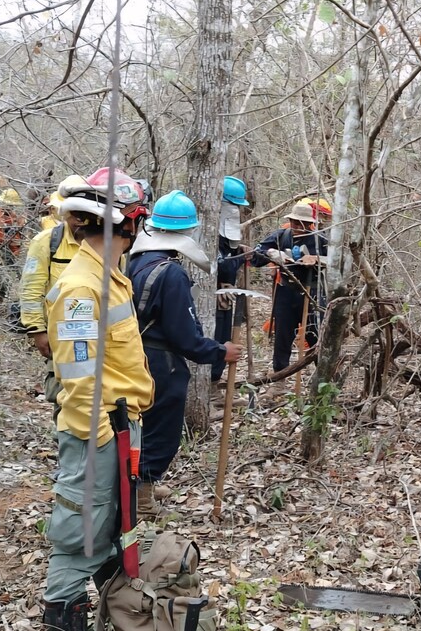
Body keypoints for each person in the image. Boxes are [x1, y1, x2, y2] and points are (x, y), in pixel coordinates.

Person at [42, 168, 153, 631]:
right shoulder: (81, 288)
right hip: (98, 430)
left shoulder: (110, 277)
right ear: (124, 223)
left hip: (119, 425)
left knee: (109, 531)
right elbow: (81, 378)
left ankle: (104, 626)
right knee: (78, 538)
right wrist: (103, 442)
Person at [129, 190, 241, 516]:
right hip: (161, 362)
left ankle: (140, 484)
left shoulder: (137, 261)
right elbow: (185, 337)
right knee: (161, 431)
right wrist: (220, 351)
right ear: (187, 231)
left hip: (134, 356)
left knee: (140, 426)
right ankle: (143, 497)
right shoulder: (171, 273)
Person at [20, 177, 86, 415]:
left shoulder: (106, 242)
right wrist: (37, 330)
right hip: (60, 337)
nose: (78, 220)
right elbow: (31, 289)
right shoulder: (47, 242)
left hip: (98, 335)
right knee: (64, 396)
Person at [250, 201, 328, 397]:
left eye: (302, 223)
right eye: (295, 222)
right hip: (286, 292)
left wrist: (318, 260)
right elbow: (255, 256)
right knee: (283, 337)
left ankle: (324, 382)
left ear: (310, 224)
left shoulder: (321, 240)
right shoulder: (281, 236)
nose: (298, 227)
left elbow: (340, 262)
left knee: (317, 336)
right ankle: (279, 381)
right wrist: (270, 254)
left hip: (313, 293)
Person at [212, 175, 250, 384]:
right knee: (214, 339)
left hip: (225, 297)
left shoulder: (226, 237)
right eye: (233, 205)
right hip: (210, 296)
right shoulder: (208, 232)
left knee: (223, 337)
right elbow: (222, 266)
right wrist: (239, 259)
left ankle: (214, 384)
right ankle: (207, 387)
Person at [0, 187, 26, 304]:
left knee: (6, 281)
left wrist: (14, 255)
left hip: (6, 255)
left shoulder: (16, 220)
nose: (9, 207)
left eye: (12, 205)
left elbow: (16, 242)